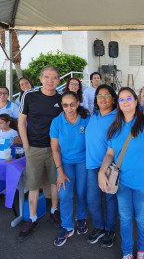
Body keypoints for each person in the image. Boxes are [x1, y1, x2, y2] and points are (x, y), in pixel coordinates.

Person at [98, 87, 144, 259]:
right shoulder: (116, 126)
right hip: (122, 184)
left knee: (142, 220)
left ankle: (142, 250)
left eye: (129, 98)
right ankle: (127, 251)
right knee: (125, 218)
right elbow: (110, 154)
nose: (125, 102)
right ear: (118, 104)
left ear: (136, 101)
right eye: (121, 99)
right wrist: (101, 171)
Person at [18, 65, 63, 241]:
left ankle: (54, 211)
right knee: (33, 185)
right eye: (47, 77)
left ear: (59, 80)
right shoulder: (29, 95)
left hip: (55, 150)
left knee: (55, 182)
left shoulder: (61, 98)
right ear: (41, 79)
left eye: (54, 77)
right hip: (34, 148)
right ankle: (33, 218)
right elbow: (21, 122)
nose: (50, 80)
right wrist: (27, 146)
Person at [50, 91, 90, 247]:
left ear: (78, 103)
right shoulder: (57, 122)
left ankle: (81, 217)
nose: (69, 108)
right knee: (65, 192)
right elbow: (55, 149)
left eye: (72, 104)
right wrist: (60, 171)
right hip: (65, 162)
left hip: (83, 161)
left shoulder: (86, 120)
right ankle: (67, 226)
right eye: (65, 105)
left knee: (81, 191)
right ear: (62, 105)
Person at [85, 84, 118, 247]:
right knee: (92, 199)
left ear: (113, 99)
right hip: (92, 166)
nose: (102, 98)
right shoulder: (93, 115)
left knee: (110, 198)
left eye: (106, 95)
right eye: (99, 95)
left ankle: (110, 229)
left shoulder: (118, 117)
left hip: (110, 166)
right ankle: (100, 227)